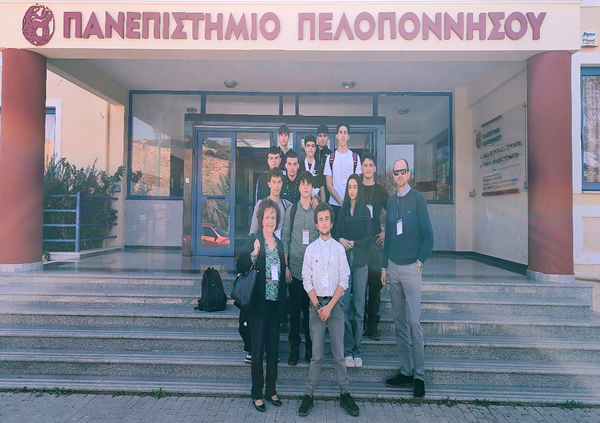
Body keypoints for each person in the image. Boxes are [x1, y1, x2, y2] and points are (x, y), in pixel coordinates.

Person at [298, 202, 360, 417]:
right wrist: (318, 307)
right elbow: (306, 280)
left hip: (335, 307)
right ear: (316, 224)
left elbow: (344, 280)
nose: (324, 223)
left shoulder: (339, 249)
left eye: (327, 219)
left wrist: (329, 307)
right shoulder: (311, 249)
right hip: (316, 307)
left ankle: (345, 393)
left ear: (331, 223)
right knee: (316, 356)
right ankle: (309, 394)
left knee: (339, 354)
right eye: (320, 220)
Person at [382, 158, 434, 399]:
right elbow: (389, 237)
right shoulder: (391, 201)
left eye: (403, 171)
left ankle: (419, 376)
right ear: (393, 176)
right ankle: (405, 371)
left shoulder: (418, 199)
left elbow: (429, 236)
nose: (400, 175)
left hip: (412, 268)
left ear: (409, 174)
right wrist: (384, 266)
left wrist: (420, 261)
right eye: (396, 172)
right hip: (393, 268)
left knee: (414, 323)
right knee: (399, 322)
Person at [236, 198, 287, 412]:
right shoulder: (254, 239)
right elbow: (239, 265)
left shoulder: (280, 244)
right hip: (257, 306)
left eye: (273, 217)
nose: (270, 220)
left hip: (274, 306)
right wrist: (254, 254)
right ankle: (257, 393)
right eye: (267, 217)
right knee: (257, 352)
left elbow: (281, 277)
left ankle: (271, 390)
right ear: (261, 219)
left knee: (273, 351)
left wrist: (283, 308)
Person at [334, 174, 372, 368]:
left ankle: (357, 350)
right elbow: (336, 234)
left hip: (360, 262)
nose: (352, 190)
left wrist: (355, 243)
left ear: (359, 189)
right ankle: (347, 350)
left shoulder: (365, 211)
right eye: (349, 186)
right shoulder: (342, 211)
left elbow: (369, 238)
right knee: (345, 307)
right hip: (344, 263)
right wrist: (341, 240)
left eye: (355, 186)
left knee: (358, 308)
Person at [282, 171, 319, 366]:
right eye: (302, 183)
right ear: (299, 187)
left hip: (313, 272)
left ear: (312, 187)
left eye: (308, 184)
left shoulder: (317, 209)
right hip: (295, 270)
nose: (305, 187)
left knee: (311, 313)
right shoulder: (292, 210)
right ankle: (294, 349)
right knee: (295, 312)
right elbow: (286, 238)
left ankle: (310, 349)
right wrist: (286, 266)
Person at [360, 152, 389, 340]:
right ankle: (360, 323)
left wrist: (386, 231)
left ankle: (373, 324)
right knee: (360, 287)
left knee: (375, 287)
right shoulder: (356, 188)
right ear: (361, 168)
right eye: (365, 165)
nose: (368, 168)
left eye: (371, 165)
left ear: (375, 168)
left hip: (376, 245)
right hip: (360, 244)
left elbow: (393, 211)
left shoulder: (380, 191)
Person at [323, 123, 362, 219]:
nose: (343, 135)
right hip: (334, 205)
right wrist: (341, 202)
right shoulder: (330, 158)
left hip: (351, 205)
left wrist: (347, 203)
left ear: (348, 136)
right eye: (340, 132)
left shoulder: (355, 157)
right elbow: (329, 185)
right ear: (337, 136)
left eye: (345, 132)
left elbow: (357, 183)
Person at [250, 168, 292, 238]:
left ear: (282, 183)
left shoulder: (287, 205)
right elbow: (253, 232)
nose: (276, 186)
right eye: (274, 182)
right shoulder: (260, 204)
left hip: (280, 243)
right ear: (269, 184)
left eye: (279, 182)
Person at [302, 135, 326, 203]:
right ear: (305, 148)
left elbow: (322, 190)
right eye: (308, 146)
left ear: (315, 148)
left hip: (317, 204)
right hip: (303, 203)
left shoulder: (320, 167)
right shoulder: (300, 166)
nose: (310, 148)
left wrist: (323, 205)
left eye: (312, 146)